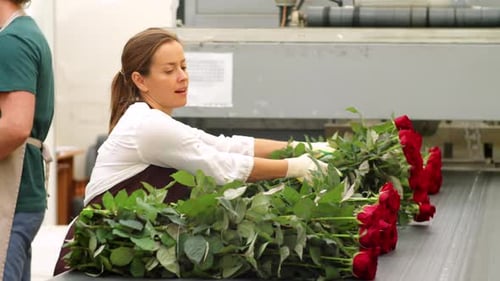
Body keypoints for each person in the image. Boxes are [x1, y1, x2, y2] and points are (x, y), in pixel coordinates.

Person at [53, 27, 330, 275]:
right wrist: (294, 168)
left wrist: (302, 148)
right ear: (140, 80)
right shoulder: (147, 125)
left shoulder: (154, 120)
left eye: (184, 67)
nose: (182, 77)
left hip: (121, 255)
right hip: (97, 256)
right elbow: (220, 165)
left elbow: (223, 145)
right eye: (169, 70)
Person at [0, 0, 54, 280]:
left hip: (12, 196)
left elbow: (15, 126)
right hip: (20, 194)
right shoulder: (23, 33)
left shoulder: (12, 41)